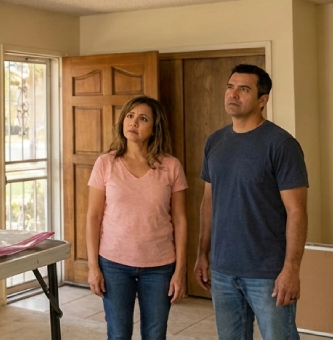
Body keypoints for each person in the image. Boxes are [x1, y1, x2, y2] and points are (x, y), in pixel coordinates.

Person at [194, 64, 308, 340]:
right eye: (230, 87)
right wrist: (202, 254)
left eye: (243, 89)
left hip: (267, 272)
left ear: (262, 100)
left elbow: (297, 212)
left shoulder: (281, 145)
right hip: (222, 271)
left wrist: (291, 269)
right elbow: (208, 202)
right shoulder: (215, 142)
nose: (233, 94)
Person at [86, 95, 188, 340]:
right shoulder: (105, 163)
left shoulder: (171, 166)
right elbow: (93, 216)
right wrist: (92, 267)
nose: (134, 122)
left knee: (155, 335)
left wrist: (180, 271)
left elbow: (181, 220)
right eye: (130, 116)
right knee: (118, 334)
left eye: (143, 119)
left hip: (160, 266)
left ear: (154, 129)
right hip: (113, 264)